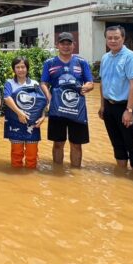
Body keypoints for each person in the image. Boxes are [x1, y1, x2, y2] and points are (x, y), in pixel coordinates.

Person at [40, 32, 93, 168]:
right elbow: (44, 83)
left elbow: (90, 83)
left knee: (76, 144)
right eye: (62, 43)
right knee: (58, 143)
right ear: (57, 45)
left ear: (73, 45)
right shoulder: (49, 63)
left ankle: (76, 175)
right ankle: (57, 171)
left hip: (77, 108)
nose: (65, 46)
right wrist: (50, 98)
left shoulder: (82, 62)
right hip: (57, 108)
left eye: (69, 43)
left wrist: (86, 87)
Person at [98, 26, 133, 172]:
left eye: (116, 37)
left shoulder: (130, 57)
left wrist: (129, 110)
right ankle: (122, 173)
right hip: (109, 106)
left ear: (123, 38)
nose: (113, 40)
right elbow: (103, 83)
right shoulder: (105, 57)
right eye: (109, 38)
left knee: (132, 142)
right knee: (116, 142)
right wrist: (102, 106)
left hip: (125, 106)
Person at [4, 56, 45, 169]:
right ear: (14, 69)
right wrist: (19, 113)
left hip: (32, 124)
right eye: (18, 67)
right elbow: (7, 98)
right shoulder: (9, 83)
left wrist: (43, 117)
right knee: (16, 154)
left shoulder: (34, 83)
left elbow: (41, 102)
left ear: (27, 68)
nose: (20, 69)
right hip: (15, 122)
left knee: (32, 155)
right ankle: (16, 180)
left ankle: (30, 180)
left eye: (23, 67)